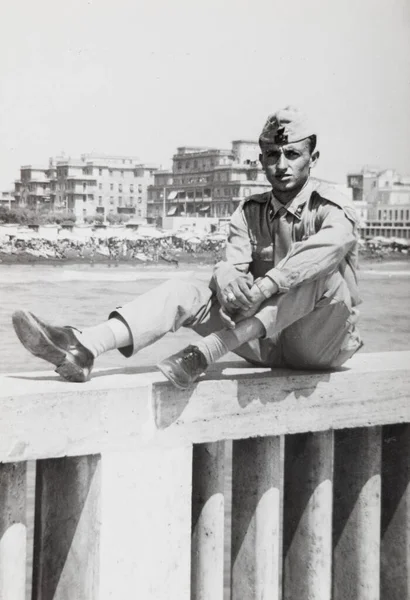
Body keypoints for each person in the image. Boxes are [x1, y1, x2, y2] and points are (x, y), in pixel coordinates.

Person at [12, 106, 362, 389]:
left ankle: (210, 350)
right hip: (264, 344)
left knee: (319, 274)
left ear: (312, 158)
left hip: (317, 344)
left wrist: (269, 284)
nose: (281, 164)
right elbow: (232, 263)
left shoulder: (331, 207)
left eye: (292, 154)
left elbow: (331, 247)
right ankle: (86, 346)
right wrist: (228, 280)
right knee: (188, 289)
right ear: (260, 161)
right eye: (272, 154)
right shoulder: (250, 210)